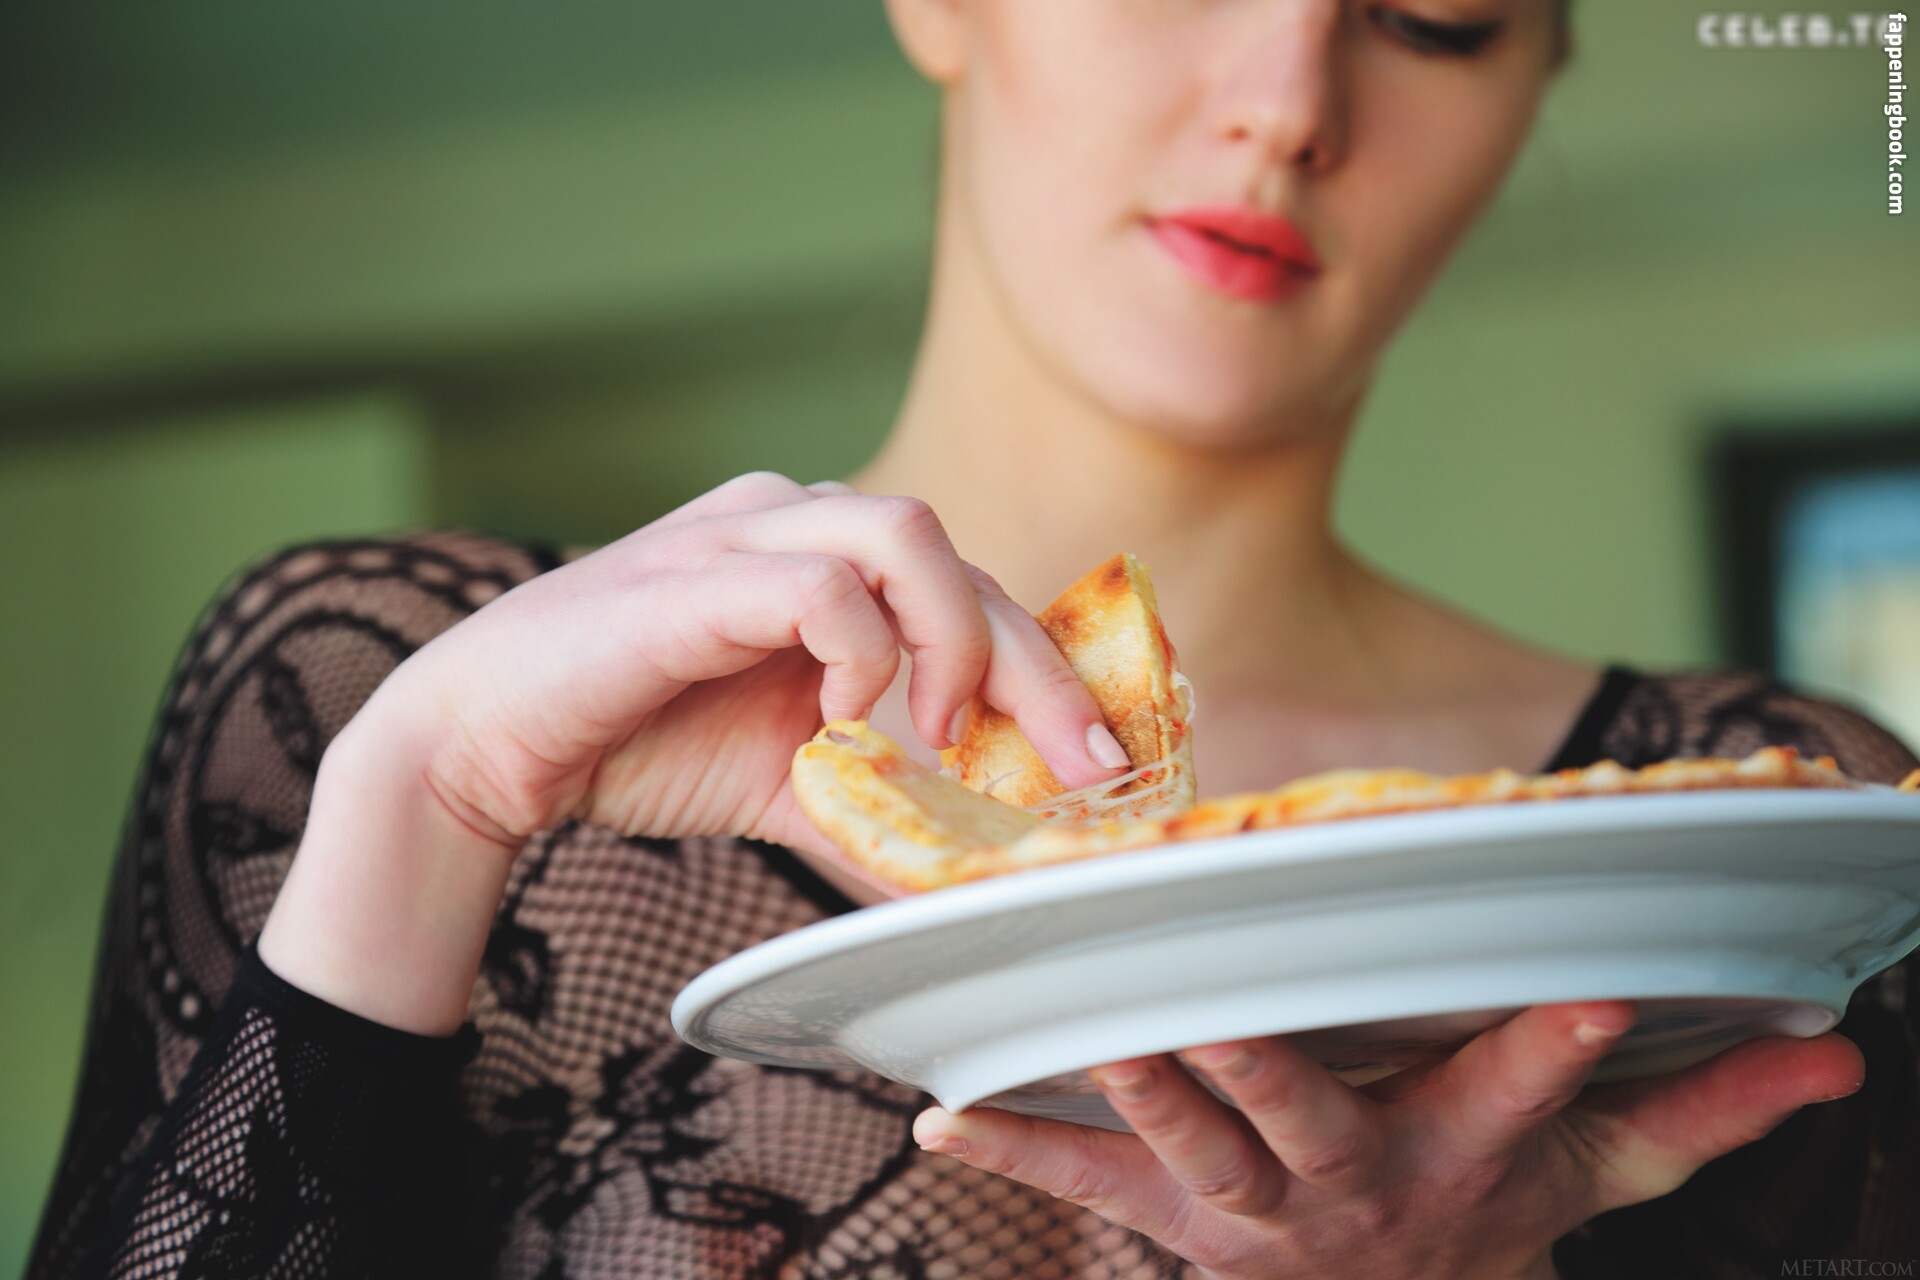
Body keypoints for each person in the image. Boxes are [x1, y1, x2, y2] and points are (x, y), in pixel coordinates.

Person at [25, 0, 1919, 1276]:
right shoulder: (375, 682)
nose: (1290, 97)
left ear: (1539, 78)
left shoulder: (1793, 841)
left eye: (1435, 11)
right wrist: (428, 806)